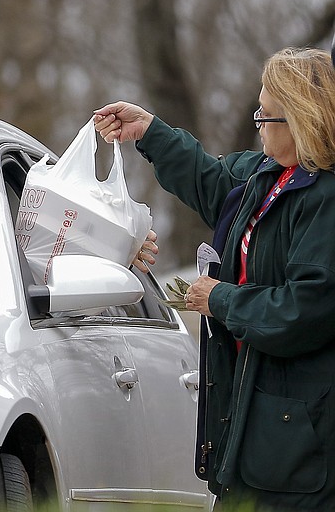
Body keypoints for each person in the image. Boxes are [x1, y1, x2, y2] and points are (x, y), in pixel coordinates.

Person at [93, 47, 335, 511]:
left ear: (302, 120)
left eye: (267, 116)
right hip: (255, 430)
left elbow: (305, 311)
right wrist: (151, 133)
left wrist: (221, 300)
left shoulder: (324, 197)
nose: (258, 124)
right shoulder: (269, 173)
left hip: (301, 447)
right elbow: (211, 180)